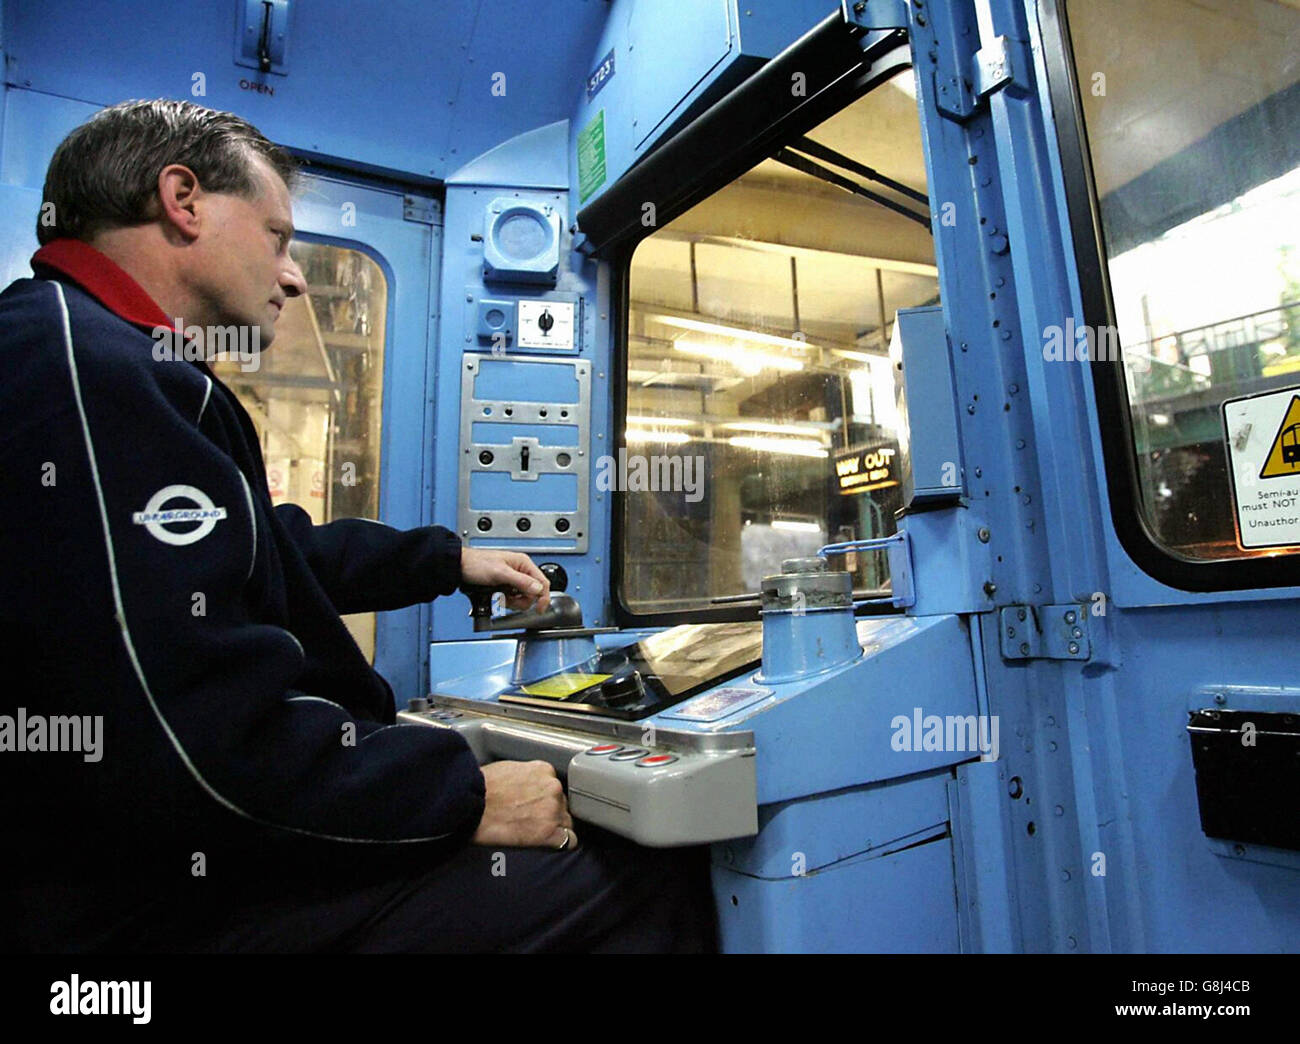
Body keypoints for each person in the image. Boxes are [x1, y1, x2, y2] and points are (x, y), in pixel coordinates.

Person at [0, 99, 715, 953]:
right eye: (276, 236)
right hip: (139, 912)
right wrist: (462, 792)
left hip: (148, 871)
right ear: (182, 200)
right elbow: (190, 746)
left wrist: (449, 559)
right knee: (637, 878)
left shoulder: (105, 358)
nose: (294, 275)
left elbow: (272, 551)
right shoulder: (79, 371)